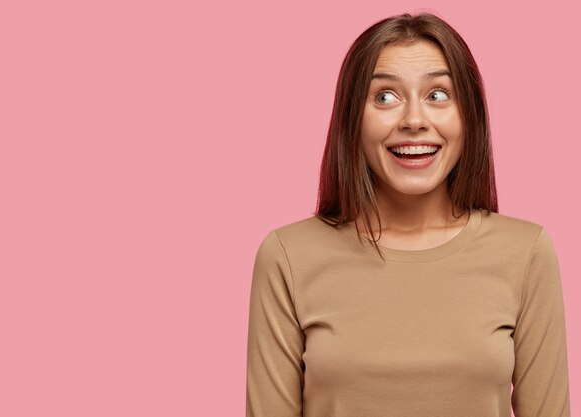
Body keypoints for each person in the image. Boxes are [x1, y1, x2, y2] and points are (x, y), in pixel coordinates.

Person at [245, 11, 571, 417]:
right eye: (385, 97)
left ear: (468, 116)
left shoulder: (526, 253)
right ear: (352, 119)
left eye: (438, 95)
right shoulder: (287, 256)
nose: (414, 121)